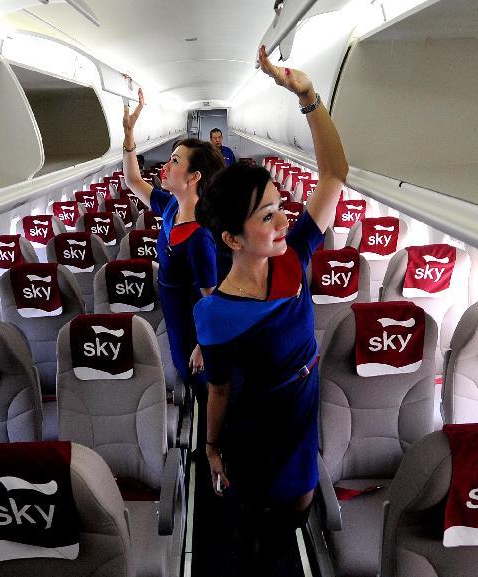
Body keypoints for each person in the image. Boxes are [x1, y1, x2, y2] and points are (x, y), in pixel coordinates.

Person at [193, 45, 348, 568]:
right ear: (233, 239)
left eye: (281, 206)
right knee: (253, 530)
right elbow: (218, 389)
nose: (285, 220)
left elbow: (333, 176)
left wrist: (307, 96)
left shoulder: (294, 257)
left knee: (295, 515)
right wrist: (211, 447)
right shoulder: (214, 314)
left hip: (301, 424)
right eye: (268, 215)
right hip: (253, 432)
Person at [121, 89, 226, 401]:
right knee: (185, 374)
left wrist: (203, 346)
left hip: (191, 324)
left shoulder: (201, 238)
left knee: (200, 382)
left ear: (194, 176)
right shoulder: (169, 206)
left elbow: (212, 299)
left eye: (175, 161)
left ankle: (211, 443)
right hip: (173, 310)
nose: (165, 166)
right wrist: (129, 137)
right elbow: (133, 181)